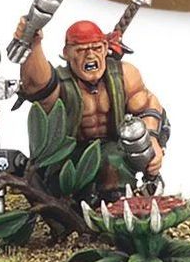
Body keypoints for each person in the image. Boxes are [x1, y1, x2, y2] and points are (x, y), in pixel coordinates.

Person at [16, 17, 166, 200]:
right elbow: (36, 86)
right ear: (67, 53)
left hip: (115, 149)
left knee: (113, 161)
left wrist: (152, 140)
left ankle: (123, 202)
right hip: (70, 154)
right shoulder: (60, 83)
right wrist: (33, 43)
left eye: (96, 48)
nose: (90, 56)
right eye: (81, 50)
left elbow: (147, 105)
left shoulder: (124, 75)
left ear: (105, 47)